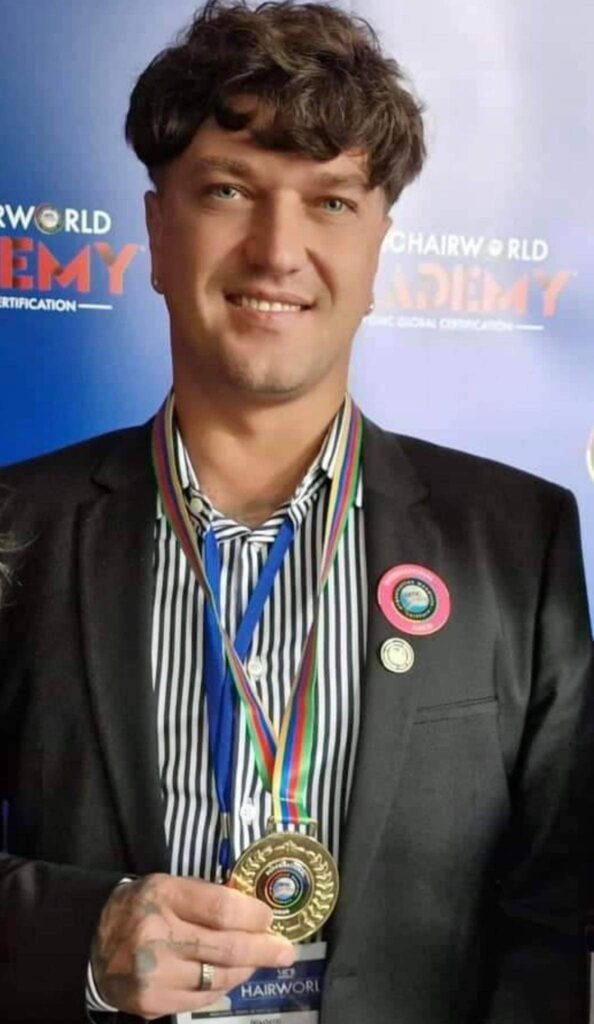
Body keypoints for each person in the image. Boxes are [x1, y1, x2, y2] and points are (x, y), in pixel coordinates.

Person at [0, 2, 592, 1022]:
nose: (278, 251)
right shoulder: (21, 524)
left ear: (377, 246)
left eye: (330, 202)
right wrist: (80, 939)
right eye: (229, 190)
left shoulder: (518, 538)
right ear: (156, 230)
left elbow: (559, 909)